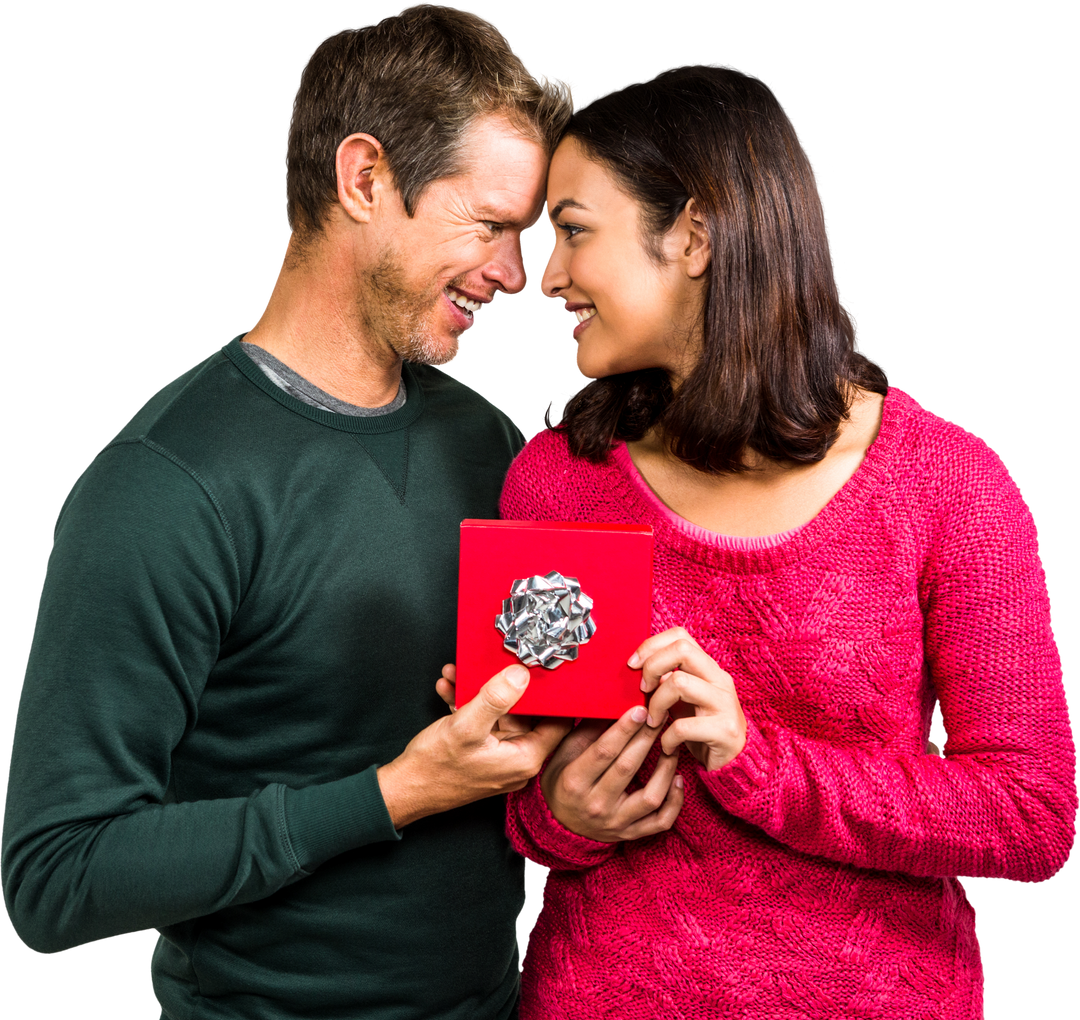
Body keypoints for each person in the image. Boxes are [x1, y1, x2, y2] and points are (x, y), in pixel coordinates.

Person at [466, 61, 1077, 1018]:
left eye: (574, 231)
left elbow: (1030, 816)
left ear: (697, 233)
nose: (546, 276)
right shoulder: (557, 477)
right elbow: (524, 784)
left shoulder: (949, 483)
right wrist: (562, 817)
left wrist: (761, 764)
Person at [3, 5, 578, 1018]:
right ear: (364, 180)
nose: (516, 275)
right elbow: (55, 879)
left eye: (525, 237)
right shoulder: (163, 485)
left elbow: (515, 746)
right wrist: (393, 795)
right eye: (488, 226)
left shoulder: (488, 441)